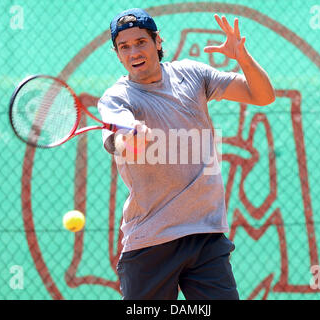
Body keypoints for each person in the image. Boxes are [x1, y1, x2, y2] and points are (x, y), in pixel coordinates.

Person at [97, 8, 275, 300]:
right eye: (124, 47)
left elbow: (263, 96)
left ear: (157, 42)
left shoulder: (193, 74)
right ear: (118, 55)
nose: (134, 52)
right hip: (150, 240)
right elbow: (116, 143)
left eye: (141, 42)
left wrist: (242, 58)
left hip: (206, 234)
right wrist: (133, 141)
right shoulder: (117, 98)